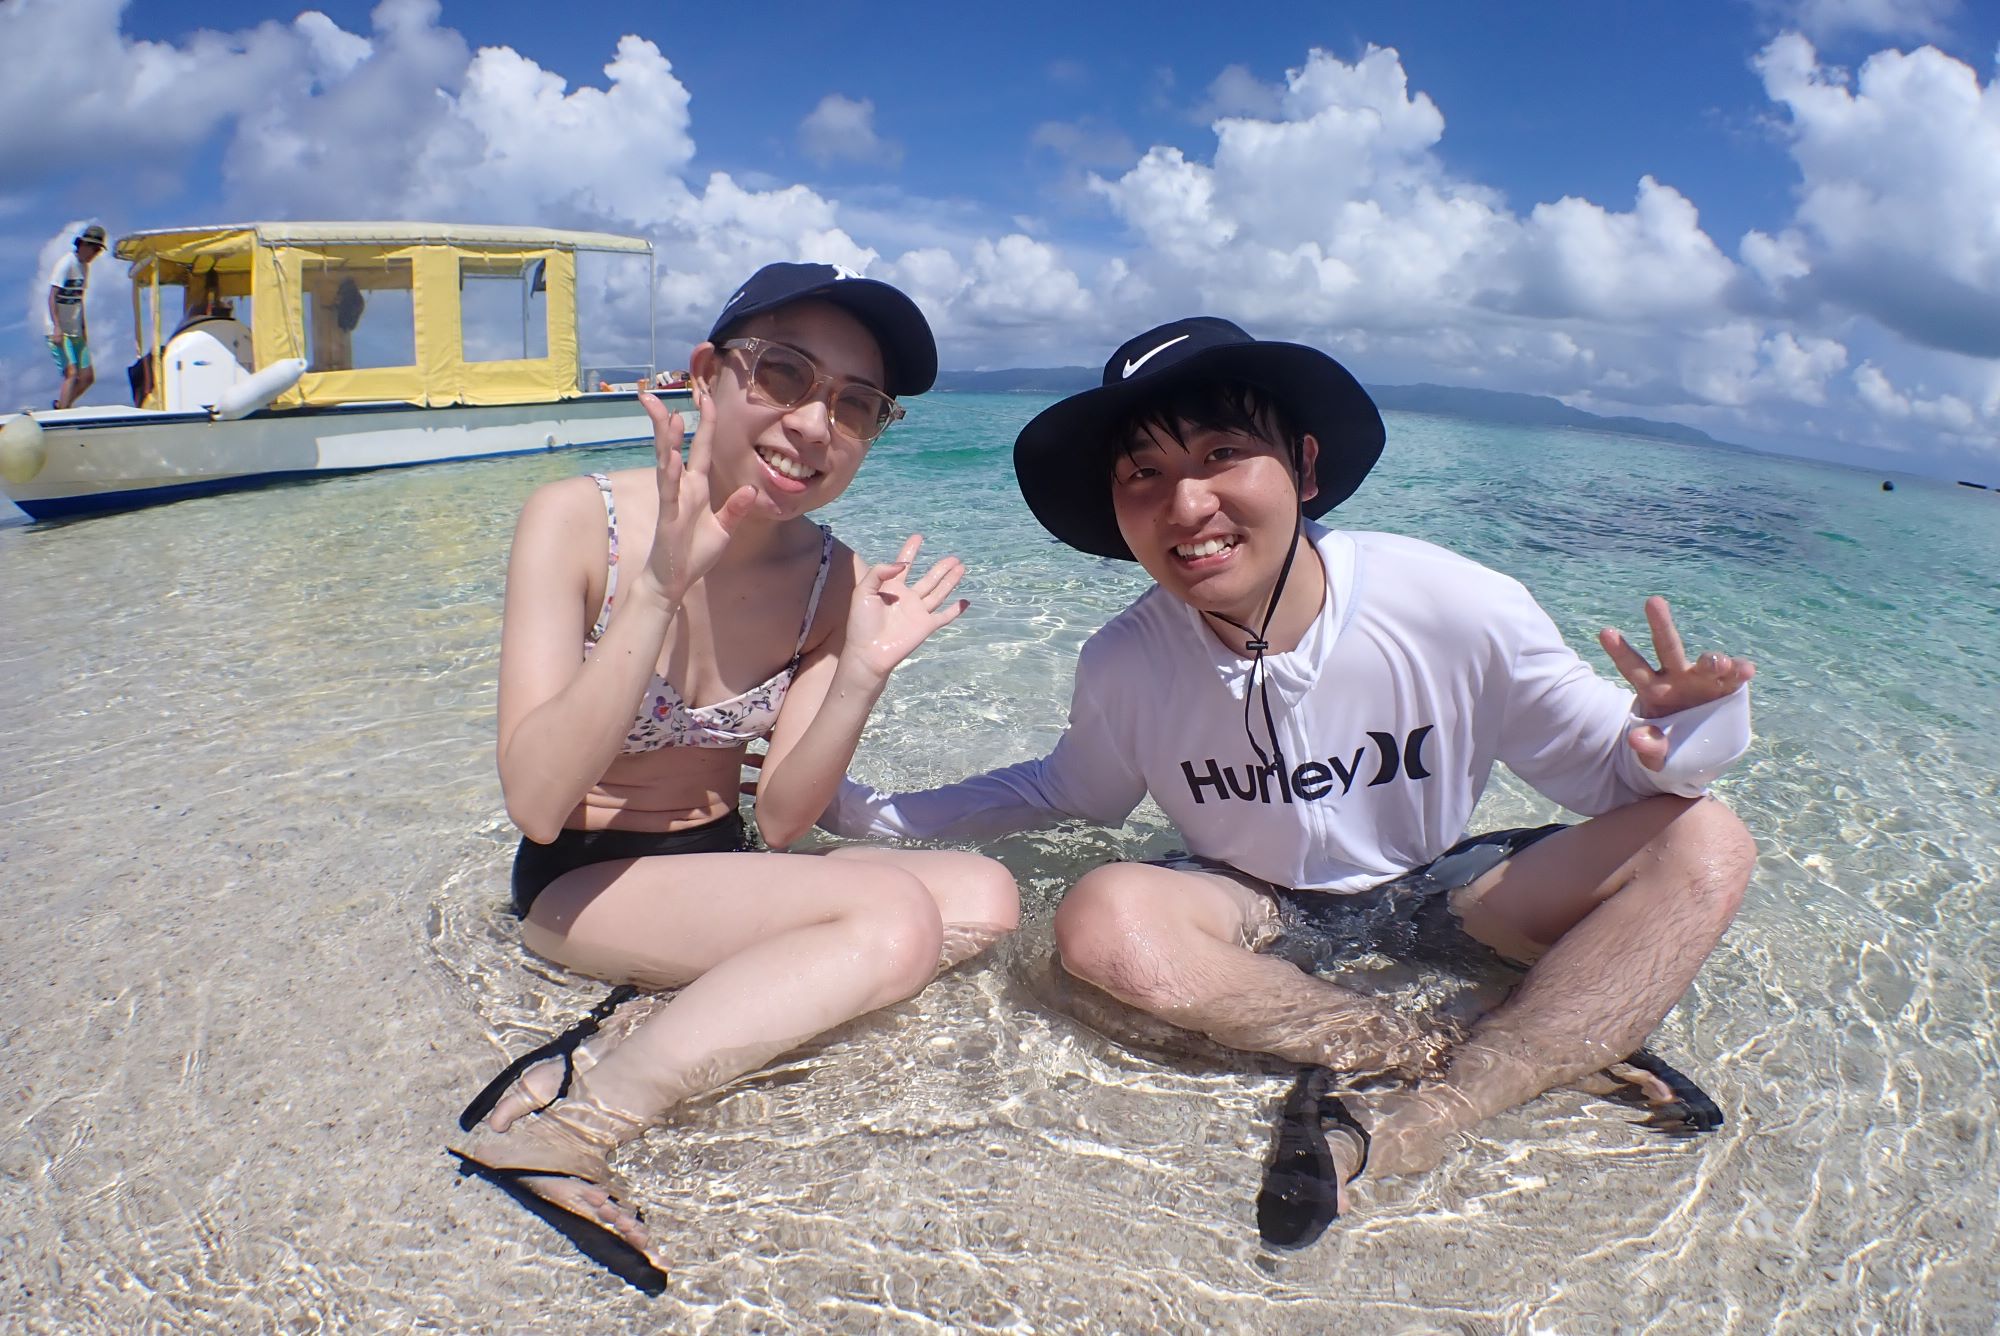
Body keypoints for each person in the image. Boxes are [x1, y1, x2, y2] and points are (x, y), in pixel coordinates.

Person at [821, 316, 1756, 1231]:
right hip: (1256, 906)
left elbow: (1614, 778)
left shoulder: (1451, 603)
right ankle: (1488, 1047)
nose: (1188, 505)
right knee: (1104, 920)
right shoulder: (1125, 659)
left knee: (1705, 840)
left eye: (1223, 454)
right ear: (1117, 510)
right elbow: (1068, 793)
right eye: (1145, 473)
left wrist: (1688, 732)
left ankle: (1434, 1115)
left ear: (1305, 469)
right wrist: (866, 813)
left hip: (1443, 891)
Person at [450, 263, 1020, 1290]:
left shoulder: (833, 578)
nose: (815, 423)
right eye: (784, 375)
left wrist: (859, 673)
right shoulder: (576, 520)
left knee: (985, 894)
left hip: (718, 862)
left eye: (855, 404)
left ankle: (649, 1016)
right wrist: (659, 589)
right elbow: (534, 803)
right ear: (708, 374)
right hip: (579, 879)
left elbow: (787, 821)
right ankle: (574, 1124)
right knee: (893, 920)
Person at [46, 224, 105, 409]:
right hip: (59, 329)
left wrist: (83, 328)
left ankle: (63, 406)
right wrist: (57, 327)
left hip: (75, 330)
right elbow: (52, 296)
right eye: (95, 249)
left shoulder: (85, 268)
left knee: (87, 377)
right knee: (71, 373)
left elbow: (80, 300)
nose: (96, 254)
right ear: (84, 245)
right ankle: (63, 413)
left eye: (99, 250)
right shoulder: (66, 263)